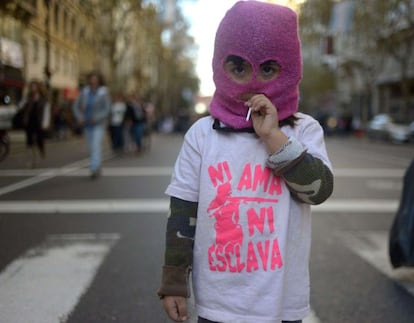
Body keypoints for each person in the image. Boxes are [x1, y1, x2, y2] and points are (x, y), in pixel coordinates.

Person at [158, 2, 334, 323]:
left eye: (268, 69)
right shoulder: (203, 134)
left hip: (282, 302)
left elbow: (319, 191)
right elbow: (183, 212)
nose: (253, 83)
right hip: (218, 304)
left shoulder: (303, 130)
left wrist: (273, 138)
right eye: (238, 68)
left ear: (289, 68)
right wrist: (174, 284)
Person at [72, 71, 110, 179]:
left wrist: (97, 117)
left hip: (98, 124)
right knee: (91, 148)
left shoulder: (103, 92)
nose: (93, 81)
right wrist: (80, 117)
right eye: (91, 79)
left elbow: (107, 109)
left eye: (95, 79)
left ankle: (94, 169)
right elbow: (75, 106)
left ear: (99, 81)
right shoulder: (84, 92)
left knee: (95, 146)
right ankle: (97, 166)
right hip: (87, 124)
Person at [19, 80, 51, 168]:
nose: (33, 88)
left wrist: (45, 123)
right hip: (29, 121)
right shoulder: (28, 97)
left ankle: (41, 150)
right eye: (32, 86)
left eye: (35, 86)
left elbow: (46, 112)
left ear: (38, 87)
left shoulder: (43, 99)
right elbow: (20, 106)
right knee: (29, 141)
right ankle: (31, 160)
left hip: (39, 122)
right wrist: (25, 99)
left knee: (39, 140)